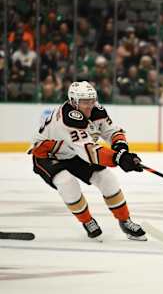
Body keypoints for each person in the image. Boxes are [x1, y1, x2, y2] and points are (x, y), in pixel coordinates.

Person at [28, 81, 146, 241]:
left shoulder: (97, 110)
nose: (90, 105)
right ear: (73, 102)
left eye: (92, 100)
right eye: (85, 102)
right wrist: (118, 158)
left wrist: (122, 150)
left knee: (107, 179)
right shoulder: (68, 119)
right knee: (67, 183)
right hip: (48, 154)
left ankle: (125, 221)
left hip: (72, 152)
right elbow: (89, 151)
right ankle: (87, 221)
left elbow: (113, 131)